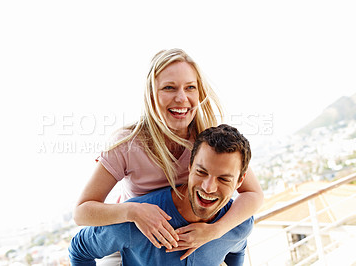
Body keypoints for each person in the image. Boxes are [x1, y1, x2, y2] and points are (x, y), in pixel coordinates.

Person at [73, 48, 263, 261]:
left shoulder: (206, 138)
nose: (182, 98)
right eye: (169, 88)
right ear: (152, 95)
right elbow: (82, 212)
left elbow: (253, 194)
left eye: (190, 87)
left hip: (188, 238)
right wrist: (132, 212)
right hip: (134, 241)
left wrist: (214, 232)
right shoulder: (127, 144)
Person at [69, 124, 254, 266]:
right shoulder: (137, 225)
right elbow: (79, 250)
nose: (209, 187)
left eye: (223, 179)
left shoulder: (240, 224)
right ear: (189, 167)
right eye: (201, 172)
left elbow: (237, 248)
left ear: (240, 181)